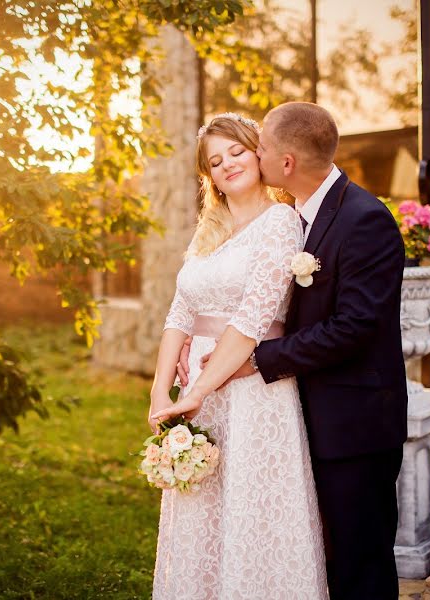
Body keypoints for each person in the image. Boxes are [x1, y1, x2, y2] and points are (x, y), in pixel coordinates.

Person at [167, 102, 408, 599]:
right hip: (303, 411)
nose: (253, 155)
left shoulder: (364, 218)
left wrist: (257, 359)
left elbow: (355, 327)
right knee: (319, 555)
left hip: (355, 422)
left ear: (286, 162)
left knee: (360, 563)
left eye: (259, 147)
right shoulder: (301, 215)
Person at [146, 113, 328, 599]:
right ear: (209, 176)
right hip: (197, 395)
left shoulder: (281, 222)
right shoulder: (208, 233)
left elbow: (252, 319)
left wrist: (199, 391)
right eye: (215, 160)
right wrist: (162, 388)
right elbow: (179, 311)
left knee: (252, 509)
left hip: (251, 390)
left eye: (237, 151)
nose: (228, 164)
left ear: (258, 153)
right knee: (202, 508)